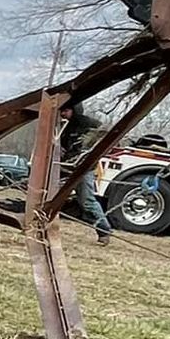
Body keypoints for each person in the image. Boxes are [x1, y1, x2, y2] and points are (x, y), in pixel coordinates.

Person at [59, 105, 113, 245]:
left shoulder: (91, 124)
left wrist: (87, 152)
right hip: (67, 165)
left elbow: (103, 137)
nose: (62, 114)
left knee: (87, 201)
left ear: (74, 109)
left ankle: (104, 230)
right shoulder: (66, 127)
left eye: (65, 110)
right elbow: (64, 146)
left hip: (84, 168)